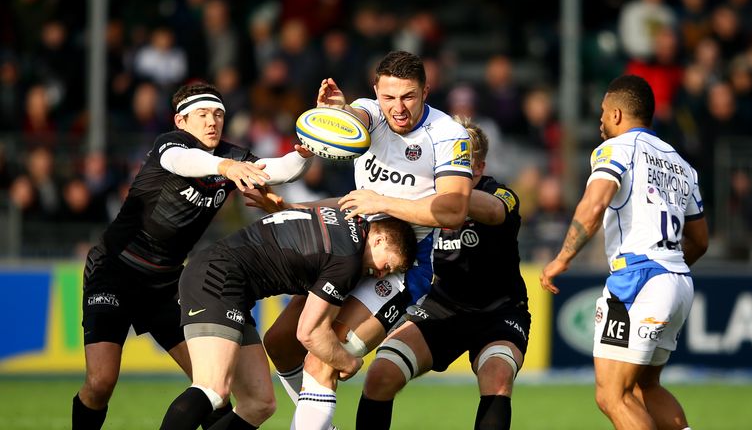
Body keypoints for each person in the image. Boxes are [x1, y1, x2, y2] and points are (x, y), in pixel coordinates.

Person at [244, 50, 474, 430]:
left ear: (426, 91)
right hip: (349, 246)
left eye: (408, 97)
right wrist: (337, 117)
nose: (397, 108)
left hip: (401, 264)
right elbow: (356, 124)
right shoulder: (372, 112)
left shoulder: (448, 135)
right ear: (375, 92)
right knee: (281, 341)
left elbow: (453, 210)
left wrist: (382, 201)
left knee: (321, 352)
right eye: (388, 97)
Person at [72, 82, 313, 430]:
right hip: (115, 272)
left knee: (213, 388)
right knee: (100, 383)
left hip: (167, 285)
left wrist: (307, 152)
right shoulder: (170, 145)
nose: (212, 122)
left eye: (218, 114)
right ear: (181, 121)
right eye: (202, 115)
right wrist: (227, 167)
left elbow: (282, 170)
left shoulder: (229, 156)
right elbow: (184, 162)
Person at [539, 74, 709, 430]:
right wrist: (667, 270)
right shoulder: (681, 163)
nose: (600, 121)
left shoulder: (615, 150)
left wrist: (561, 258)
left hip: (638, 279)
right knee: (646, 387)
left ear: (617, 114)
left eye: (603, 112)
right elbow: (700, 240)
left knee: (612, 395)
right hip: (677, 278)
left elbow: (594, 202)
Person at [158, 207, 418, 430]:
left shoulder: (343, 218)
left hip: (229, 285)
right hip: (217, 280)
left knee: (259, 403)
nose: (381, 275)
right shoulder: (348, 260)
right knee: (212, 388)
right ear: (380, 239)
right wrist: (349, 362)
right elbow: (309, 333)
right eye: (388, 266)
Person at [356, 117, 531, 430]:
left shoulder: (501, 195)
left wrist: (422, 192)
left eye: (460, 165)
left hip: (498, 311)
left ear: (478, 168)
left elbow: (491, 211)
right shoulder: (418, 192)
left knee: (497, 376)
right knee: (381, 373)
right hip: (440, 307)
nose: (446, 171)